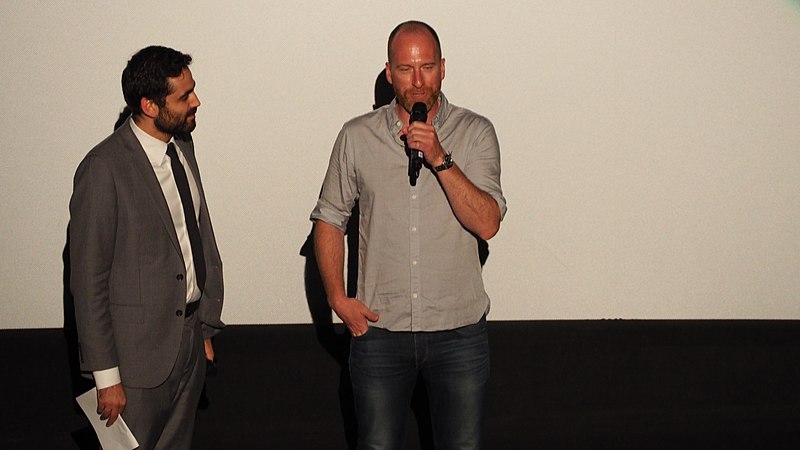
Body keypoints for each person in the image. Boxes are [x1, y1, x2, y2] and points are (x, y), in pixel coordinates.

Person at [311, 20, 507, 449]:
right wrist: (337, 299)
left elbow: (488, 222)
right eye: (405, 69)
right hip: (381, 333)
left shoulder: (476, 133)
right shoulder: (357, 136)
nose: (418, 81)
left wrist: (439, 157)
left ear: (443, 68)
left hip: (459, 331)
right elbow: (329, 218)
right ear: (388, 72)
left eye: (427, 67)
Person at [69, 45, 224, 450]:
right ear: (150, 106)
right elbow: (88, 280)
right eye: (184, 97)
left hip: (188, 346)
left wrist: (203, 326)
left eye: (193, 90)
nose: (196, 101)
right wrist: (107, 378)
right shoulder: (103, 168)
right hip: (134, 366)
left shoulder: (182, 147)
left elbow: (195, 238)